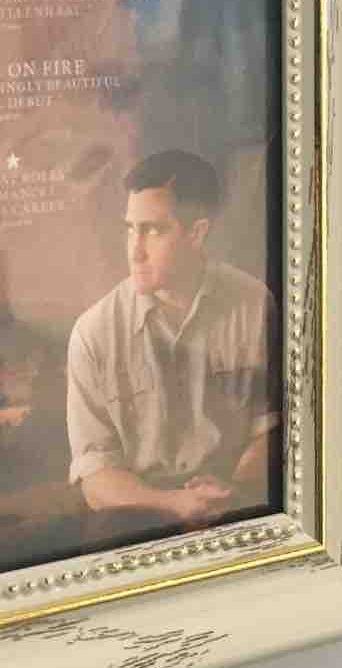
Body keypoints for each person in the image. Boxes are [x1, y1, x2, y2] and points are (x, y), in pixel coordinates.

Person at [65, 150, 280, 536]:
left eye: (153, 230)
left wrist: (231, 489)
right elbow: (95, 480)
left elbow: (271, 429)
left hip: (236, 503)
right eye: (130, 229)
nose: (135, 250)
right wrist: (176, 503)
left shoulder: (254, 306)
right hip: (133, 520)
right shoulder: (92, 334)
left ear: (197, 233)